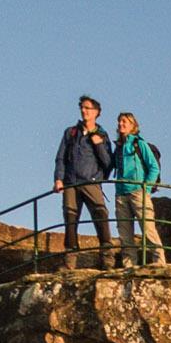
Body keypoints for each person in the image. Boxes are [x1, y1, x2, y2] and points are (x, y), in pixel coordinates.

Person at [53, 95, 114, 267]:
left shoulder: (102, 134)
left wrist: (98, 145)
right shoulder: (71, 132)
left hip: (91, 181)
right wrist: (58, 178)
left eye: (87, 108)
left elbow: (109, 162)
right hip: (71, 182)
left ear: (96, 112)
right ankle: (70, 260)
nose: (84, 110)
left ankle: (107, 258)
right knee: (70, 219)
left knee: (101, 215)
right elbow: (61, 158)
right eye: (82, 107)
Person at [112, 112, 166, 269]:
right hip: (121, 193)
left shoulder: (139, 144)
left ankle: (159, 261)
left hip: (137, 192)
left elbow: (153, 167)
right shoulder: (119, 147)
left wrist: (146, 187)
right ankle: (129, 266)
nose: (121, 124)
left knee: (148, 229)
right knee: (124, 233)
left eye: (125, 122)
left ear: (133, 125)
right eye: (119, 122)